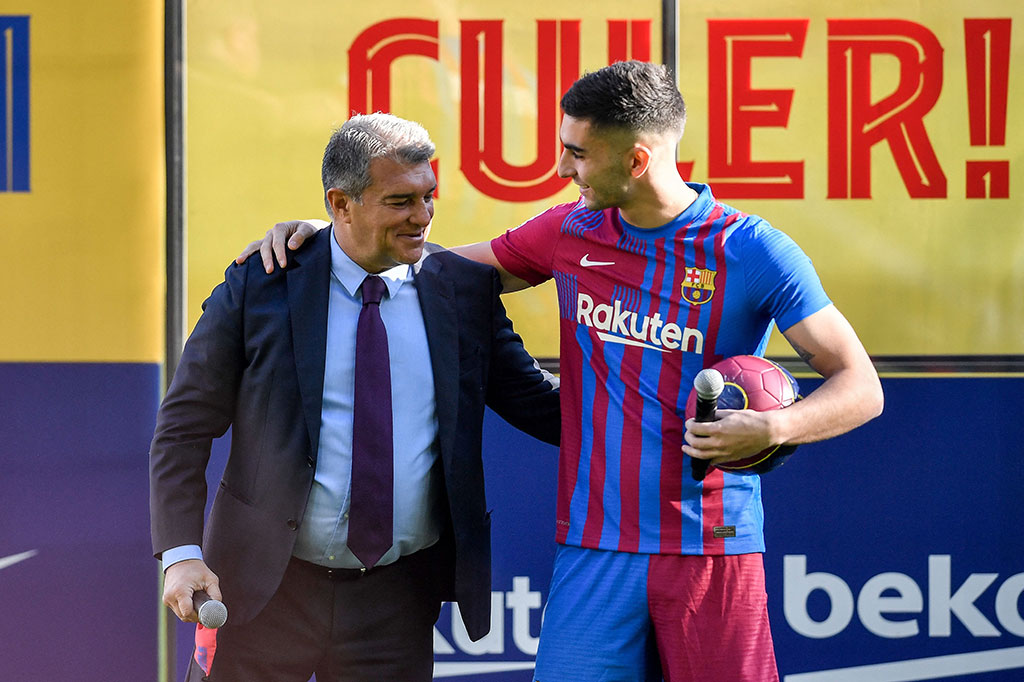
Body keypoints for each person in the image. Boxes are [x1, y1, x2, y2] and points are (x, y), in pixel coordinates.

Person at [239, 61, 883, 681]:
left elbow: (860, 385)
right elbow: (433, 273)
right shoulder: (569, 231)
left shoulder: (752, 250)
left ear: (636, 161)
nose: (562, 168)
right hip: (594, 548)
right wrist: (333, 235)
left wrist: (775, 427)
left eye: (578, 153)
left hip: (712, 545)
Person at [151, 113, 560, 682]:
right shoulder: (261, 282)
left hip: (396, 600)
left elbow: (545, 409)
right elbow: (184, 427)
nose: (423, 215)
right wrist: (180, 553)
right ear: (340, 204)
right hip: (261, 589)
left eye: (428, 196)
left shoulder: (463, 291)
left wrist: (665, 408)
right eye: (400, 201)